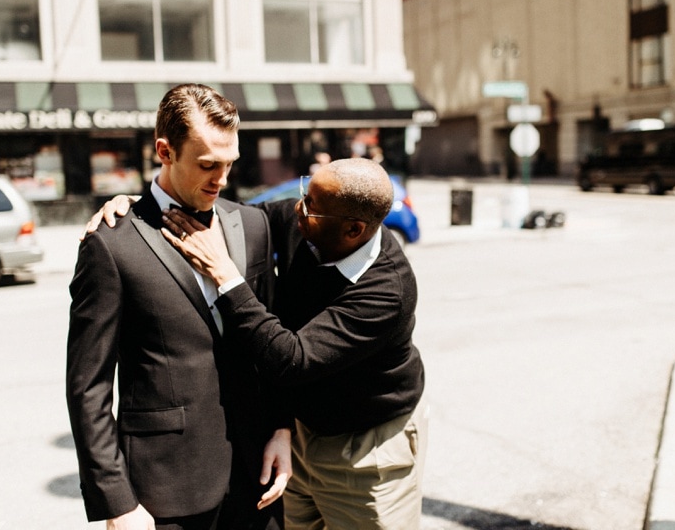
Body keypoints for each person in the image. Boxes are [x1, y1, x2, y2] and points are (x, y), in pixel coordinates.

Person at [93, 159, 426, 529]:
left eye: (311, 205)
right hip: (300, 436)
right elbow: (230, 217)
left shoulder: (387, 290)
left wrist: (225, 276)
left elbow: (291, 360)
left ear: (353, 230)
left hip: (366, 449)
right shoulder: (310, 219)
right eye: (304, 193)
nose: (297, 206)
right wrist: (147, 204)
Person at [67, 83, 291, 530]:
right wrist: (117, 502)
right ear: (164, 152)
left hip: (256, 475)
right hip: (164, 491)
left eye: (230, 164)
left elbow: (271, 342)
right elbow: (87, 387)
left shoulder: (252, 224)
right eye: (208, 165)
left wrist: (283, 430)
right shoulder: (111, 244)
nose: (221, 179)